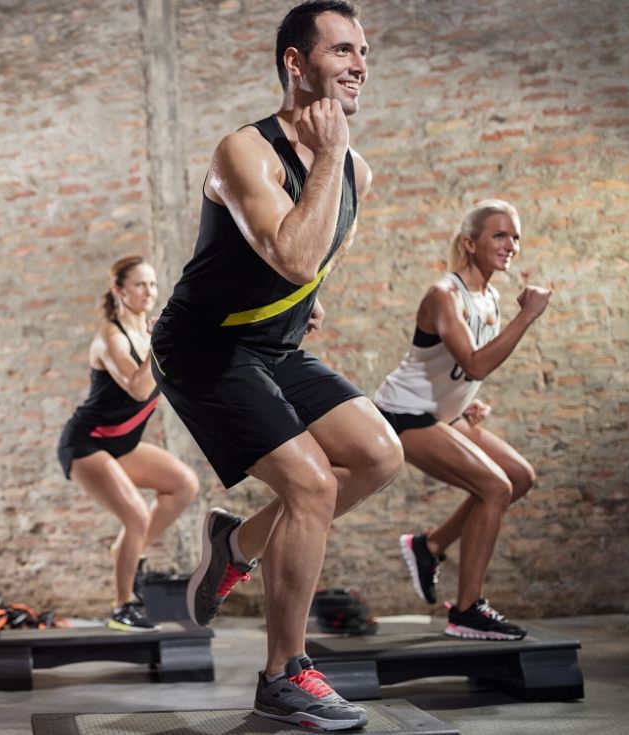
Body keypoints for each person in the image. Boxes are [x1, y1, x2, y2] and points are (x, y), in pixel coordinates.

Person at [151, 1, 402, 729]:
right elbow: (291, 254)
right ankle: (283, 674)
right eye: (342, 51)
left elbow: (313, 263)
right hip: (200, 347)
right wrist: (325, 158)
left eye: (363, 52)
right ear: (296, 63)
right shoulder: (246, 150)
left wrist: (306, 305)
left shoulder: (357, 169)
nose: (359, 65)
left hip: (271, 346)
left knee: (378, 455)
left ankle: (236, 542)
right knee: (311, 483)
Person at [374, 199, 552, 641]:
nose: (510, 244)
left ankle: (429, 546)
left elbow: (460, 373)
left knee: (520, 476)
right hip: (403, 414)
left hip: (444, 414)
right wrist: (526, 316)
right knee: (494, 487)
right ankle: (467, 609)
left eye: (515, 236)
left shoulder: (489, 295)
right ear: (470, 243)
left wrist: (471, 402)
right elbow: (472, 363)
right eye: (499, 235)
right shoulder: (444, 294)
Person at [57, 255, 199, 630]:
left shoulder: (148, 334)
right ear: (119, 291)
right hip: (87, 443)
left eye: (153, 284)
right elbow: (138, 389)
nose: (149, 292)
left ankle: (128, 550)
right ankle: (123, 605)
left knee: (184, 485)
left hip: (122, 444)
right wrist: (161, 342)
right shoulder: (110, 336)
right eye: (139, 285)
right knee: (135, 516)